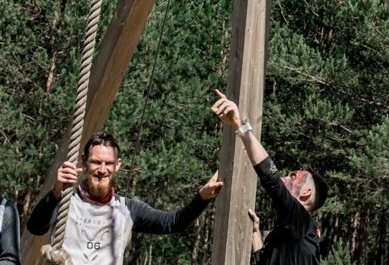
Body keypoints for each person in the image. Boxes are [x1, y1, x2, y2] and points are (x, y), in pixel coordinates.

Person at [26, 131, 222, 264]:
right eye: (96, 162)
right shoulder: (65, 201)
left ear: (117, 165)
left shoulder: (127, 209)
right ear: (84, 161)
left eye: (108, 163)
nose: (102, 170)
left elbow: (173, 223)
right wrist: (55, 191)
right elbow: (35, 227)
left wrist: (202, 198)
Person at [211, 90, 328, 265]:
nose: (285, 178)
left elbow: (269, 175)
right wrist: (258, 242)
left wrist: (239, 125)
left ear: (306, 193)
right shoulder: (293, 235)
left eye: (293, 177)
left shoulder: (300, 220)